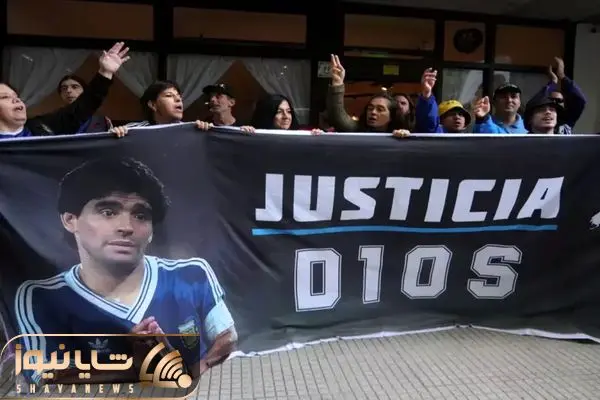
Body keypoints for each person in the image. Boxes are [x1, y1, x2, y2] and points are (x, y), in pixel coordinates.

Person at [14, 157, 237, 385]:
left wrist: (194, 371)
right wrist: (137, 366)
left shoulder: (191, 274)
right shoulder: (42, 297)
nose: (127, 227)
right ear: (70, 220)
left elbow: (227, 337)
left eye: (140, 216)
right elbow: (45, 374)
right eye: (108, 212)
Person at [0, 42, 129, 140]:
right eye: (5, 97)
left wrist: (105, 72)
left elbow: (83, 106)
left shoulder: (43, 125)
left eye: (16, 96)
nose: (16, 100)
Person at [326, 54, 410, 136]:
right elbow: (338, 118)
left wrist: (404, 137)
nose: (373, 112)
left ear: (391, 116)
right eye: (370, 108)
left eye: (380, 109)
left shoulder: (399, 134)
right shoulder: (358, 130)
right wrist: (337, 84)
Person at [109, 81, 212, 137]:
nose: (178, 99)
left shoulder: (192, 130)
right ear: (153, 105)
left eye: (179, 96)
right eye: (169, 95)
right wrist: (113, 135)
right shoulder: (132, 131)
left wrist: (208, 133)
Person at [414, 68, 470, 133]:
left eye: (461, 114)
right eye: (451, 114)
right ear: (440, 120)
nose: (457, 117)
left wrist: (479, 120)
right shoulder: (437, 133)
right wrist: (427, 94)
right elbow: (429, 121)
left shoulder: (470, 136)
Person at [250, 94, 322, 134]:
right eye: (279, 112)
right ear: (267, 114)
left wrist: (318, 137)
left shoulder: (301, 133)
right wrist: (246, 133)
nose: (286, 116)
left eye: (289, 111)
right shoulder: (255, 134)